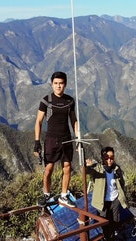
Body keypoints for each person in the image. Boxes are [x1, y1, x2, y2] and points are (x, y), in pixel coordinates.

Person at [34, 71, 78, 208]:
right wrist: (37, 143)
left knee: (67, 167)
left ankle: (64, 195)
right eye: (56, 83)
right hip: (51, 139)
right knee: (49, 169)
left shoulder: (70, 101)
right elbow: (39, 122)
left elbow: (74, 120)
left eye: (61, 83)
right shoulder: (46, 101)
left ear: (65, 84)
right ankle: (46, 195)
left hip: (66, 138)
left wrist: (77, 139)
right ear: (52, 84)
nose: (58, 86)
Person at [86, 146, 128, 241]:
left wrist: (122, 198)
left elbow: (122, 184)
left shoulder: (116, 169)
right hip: (102, 203)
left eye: (111, 157)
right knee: (105, 226)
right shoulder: (97, 169)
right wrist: (87, 165)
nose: (109, 160)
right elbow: (87, 172)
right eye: (106, 157)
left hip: (114, 200)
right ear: (102, 158)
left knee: (114, 223)